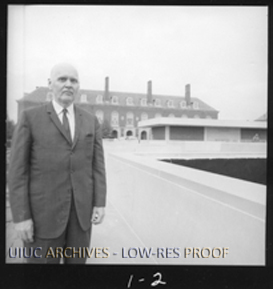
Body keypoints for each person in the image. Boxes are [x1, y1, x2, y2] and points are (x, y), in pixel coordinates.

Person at [8, 63, 107, 264]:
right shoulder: (30, 118)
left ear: (78, 86)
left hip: (80, 220)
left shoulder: (90, 121)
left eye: (74, 80)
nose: (68, 84)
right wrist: (21, 217)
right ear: (50, 84)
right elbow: (18, 172)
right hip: (41, 220)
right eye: (62, 79)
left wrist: (99, 203)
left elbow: (97, 166)